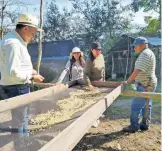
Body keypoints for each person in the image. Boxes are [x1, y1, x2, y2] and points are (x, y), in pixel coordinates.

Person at [0, 14, 44, 149]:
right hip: (16, 88)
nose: (34, 36)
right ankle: (21, 147)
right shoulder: (13, 44)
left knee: (22, 120)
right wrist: (31, 77)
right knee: (20, 122)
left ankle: (24, 144)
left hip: (18, 85)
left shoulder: (16, 40)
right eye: (33, 32)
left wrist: (31, 71)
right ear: (25, 28)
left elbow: (15, 67)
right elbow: (12, 72)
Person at [123, 37, 157, 133]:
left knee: (135, 106)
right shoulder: (148, 53)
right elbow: (144, 70)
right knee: (147, 105)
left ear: (142, 45)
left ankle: (134, 126)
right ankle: (145, 125)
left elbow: (137, 70)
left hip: (145, 85)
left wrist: (128, 81)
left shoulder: (145, 54)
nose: (134, 48)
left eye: (135, 46)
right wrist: (138, 81)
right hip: (148, 83)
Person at [84, 41, 105, 127]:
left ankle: (99, 115)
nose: (98, 52)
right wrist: (89, 85)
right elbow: (85, 74)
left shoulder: (101, 56)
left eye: (99, 50)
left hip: (101, 81)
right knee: (93, 102)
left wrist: (104, 80)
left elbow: (103, 68)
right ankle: (94, 120)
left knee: (100, 100)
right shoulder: (89, 61)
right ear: (92, 50)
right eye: (96, 50)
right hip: (93, 83)